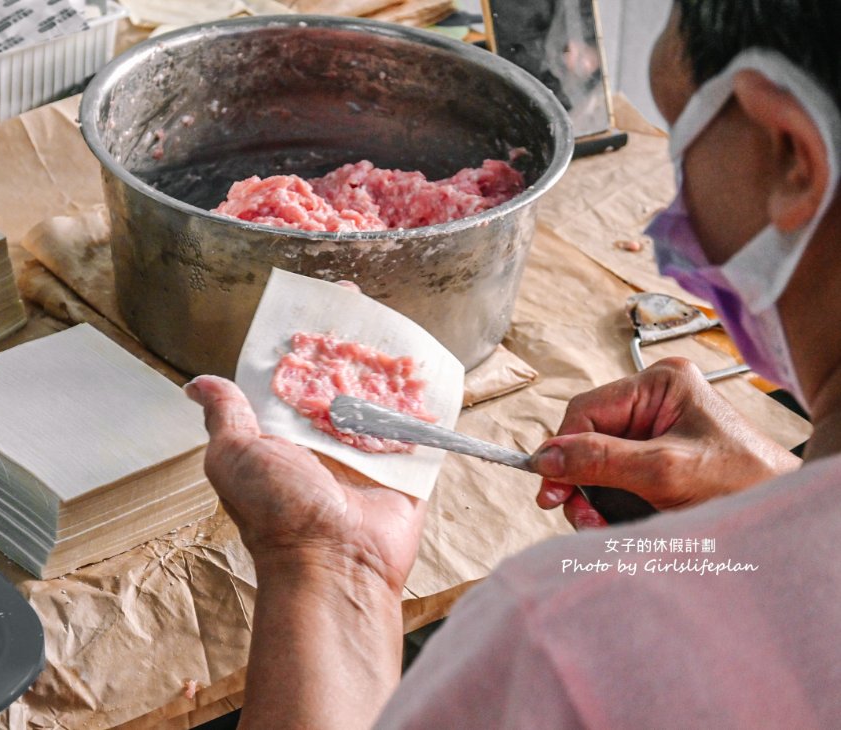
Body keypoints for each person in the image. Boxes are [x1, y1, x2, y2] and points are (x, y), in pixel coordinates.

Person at [183, 0, 841, 726]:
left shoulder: (560, 647)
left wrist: (334, 567)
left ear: (790, 155)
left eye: (680, 144)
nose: (674, 204)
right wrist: (770, 496)